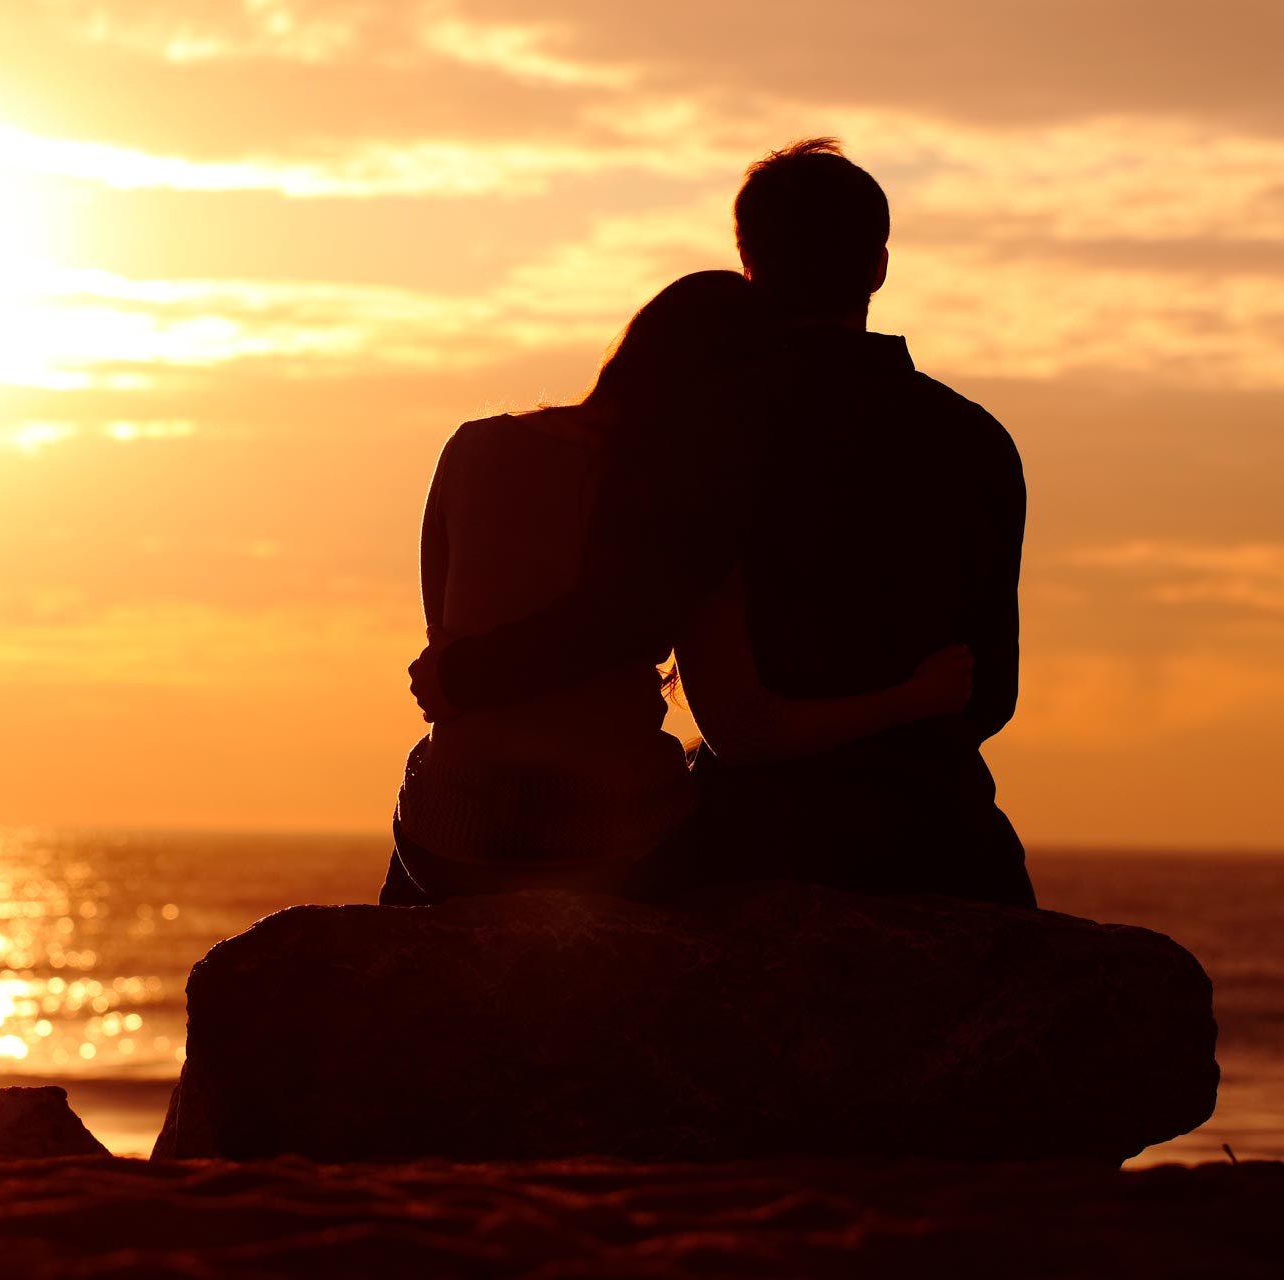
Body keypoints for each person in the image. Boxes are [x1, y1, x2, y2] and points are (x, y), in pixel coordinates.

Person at [411, 139, 1035, 909]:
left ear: (750, 266)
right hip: (939, 829)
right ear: (878, 265)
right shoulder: (976, 440)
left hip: (756, 833)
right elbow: (989, 696)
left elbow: (627, 617)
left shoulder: (703, 431)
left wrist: (468, 674)